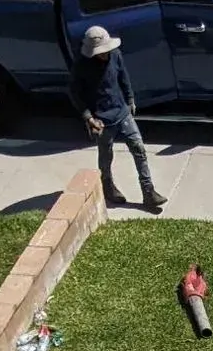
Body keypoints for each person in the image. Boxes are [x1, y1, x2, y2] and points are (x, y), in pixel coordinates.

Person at [71, 25, 167, 213]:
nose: (104, 54)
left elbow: (123, 76)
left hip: (122, 112)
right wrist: (88, 117)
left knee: (139, 149)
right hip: (101, 120)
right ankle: (108, 187)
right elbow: (75, 93)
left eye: (105, 50)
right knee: (106, 156)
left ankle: (148, 192)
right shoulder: (81, 65)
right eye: (100, 52)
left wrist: (130, 99)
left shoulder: (115, 55)